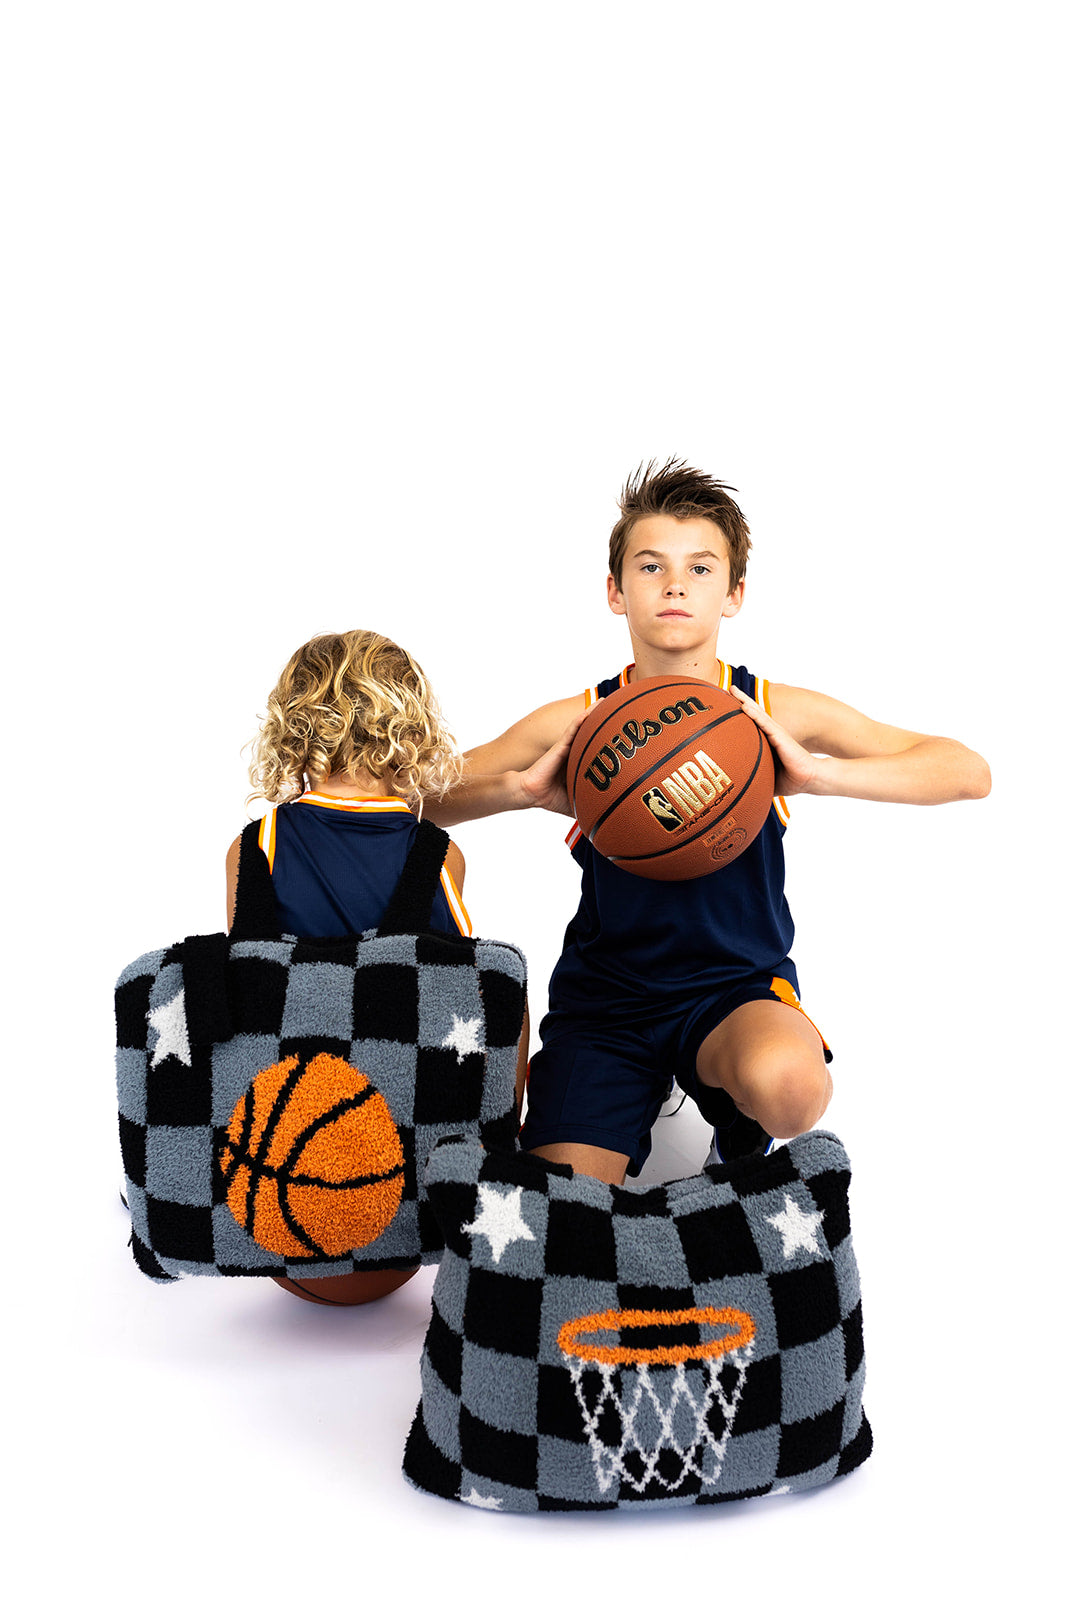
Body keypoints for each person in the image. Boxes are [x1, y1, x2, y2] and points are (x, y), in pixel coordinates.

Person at [428, 460, 991, 1185]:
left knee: (790, 1091)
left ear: (733, 595)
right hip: (607, 1002)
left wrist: (815, 775)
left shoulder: (766, 710)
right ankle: (623, 1097)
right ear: (614, 590)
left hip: (733, 989)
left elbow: (965, 770)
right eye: (650, 565)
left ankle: (736, 1129)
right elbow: (424, 797)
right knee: (561, 1205)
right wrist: (522, 789)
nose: (674, 585)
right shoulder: (580, 722)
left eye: (700, 568)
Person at [226, 629, 529, 1303]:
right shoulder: (438, 856)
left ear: (293, 725)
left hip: (277, 1218)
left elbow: (250, 1005)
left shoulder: (255, 847)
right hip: (412, 1217)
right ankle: (507, 1162)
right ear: (412, 730)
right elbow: (470, 1017)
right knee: (497, 994)